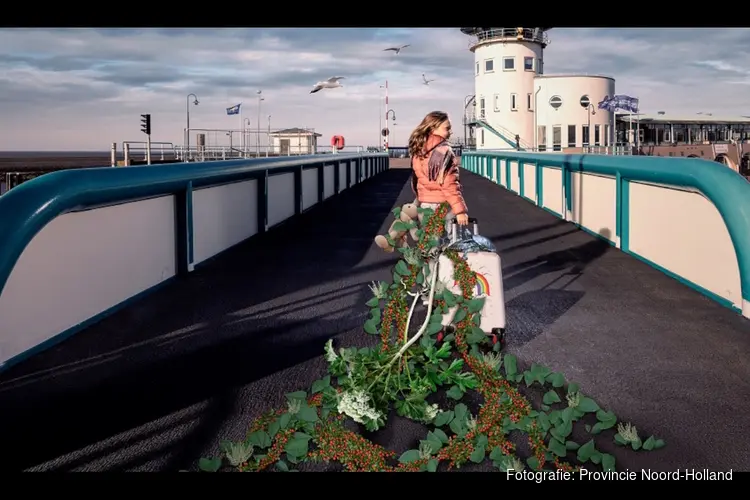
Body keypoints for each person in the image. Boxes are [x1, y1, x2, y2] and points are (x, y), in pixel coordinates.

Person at [408, 111, 469, 239]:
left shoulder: (418, 150)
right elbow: (449, 184)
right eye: (447, 128)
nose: (450, 132)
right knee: (449, 244)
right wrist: (460, 211)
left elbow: (416, 179)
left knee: (430, 245)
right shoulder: (444, 152)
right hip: (442, 206)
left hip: (425, 205)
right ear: (433, 128)